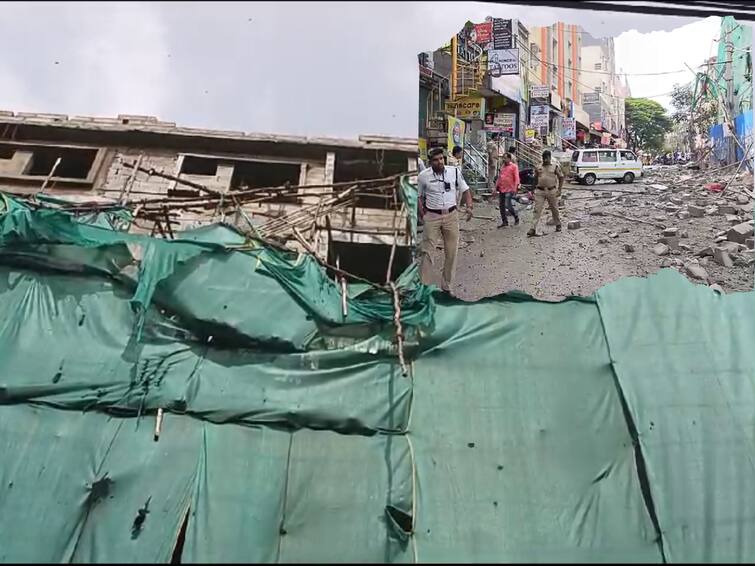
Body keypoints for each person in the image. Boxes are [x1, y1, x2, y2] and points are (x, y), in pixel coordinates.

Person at [417, 147, 474, 293]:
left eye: (441, 159)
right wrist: (422, 214)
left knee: (451, 252)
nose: (440, 162)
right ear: (430, 162)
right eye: (436, 160)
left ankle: (447, 287)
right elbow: (418, 196)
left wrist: (469, 206)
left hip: (451, 216)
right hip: (432, 216)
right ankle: (424, 288)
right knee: (427, 252)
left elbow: (465, 190)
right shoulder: (423, 176)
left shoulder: (454, 172)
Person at [528, 150, 564, 237]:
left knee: (554, 208)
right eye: (544, 158)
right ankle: (532, 228)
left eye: (547, 158)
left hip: (551, 190)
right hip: (540, 191)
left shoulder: (555, 166)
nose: (545, 160)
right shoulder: (539, 166)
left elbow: (561, 177)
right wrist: (532, 190)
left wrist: (559, 189)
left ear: (549, 157)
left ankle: (558, 224)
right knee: (537, 209)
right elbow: (535, 179)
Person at [496, 152, 520, 227]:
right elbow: (499, 178)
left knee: (507, 204)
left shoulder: (514, 167)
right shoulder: (502, 167)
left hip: (510, 188)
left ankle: (516, 217)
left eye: (506, 158)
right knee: (501, 206)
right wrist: (495, 187)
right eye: (503, 158)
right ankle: (504, 222)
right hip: (502, 188)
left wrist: (516, 187)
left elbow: (516, 177)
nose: (504, 159)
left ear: (509, 159)